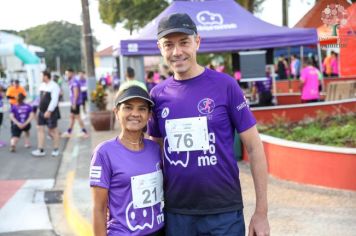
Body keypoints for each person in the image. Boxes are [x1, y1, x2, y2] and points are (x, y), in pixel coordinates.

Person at [149, 13, 269, 236]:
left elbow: (254, 147)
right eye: (168, 45)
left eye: (184, 42)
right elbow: (152, 155)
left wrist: (261, 212)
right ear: (160, 47)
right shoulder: (157, 95)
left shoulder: (226, 86)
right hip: (178, 215)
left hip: (224, 213)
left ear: (197, 41)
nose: (177, 52)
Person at [90, 85, 164, 236]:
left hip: (159, 231)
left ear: (149, 115)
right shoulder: (104, 152)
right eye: (128, 107)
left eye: (142, 109)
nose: (135, 114)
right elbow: (99, 208)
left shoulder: (155, 149)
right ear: (117, 112)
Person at [31, 71, 61, 157]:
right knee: (40, 129)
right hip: (41, 111)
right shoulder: (42, 86)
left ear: (46, 76)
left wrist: (49, 111)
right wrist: (36, 109)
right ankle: (41, 149)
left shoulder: (54, 86)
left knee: (53, 130)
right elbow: (39, 99)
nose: (40, 78)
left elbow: (54, 100)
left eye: (41, 76)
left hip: (51, 112)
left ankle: (56, 149)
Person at [61, 68, 89, 138]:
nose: (66, 75)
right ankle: (69, 131)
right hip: (73, 102)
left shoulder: (74, 82)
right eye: (66, 74)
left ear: (72, 73)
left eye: (67, 73)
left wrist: (74, 103)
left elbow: (76, 93)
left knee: (78, 117)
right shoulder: (71, 81)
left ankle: (84, 132)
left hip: (75, 103)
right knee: (72, 117)